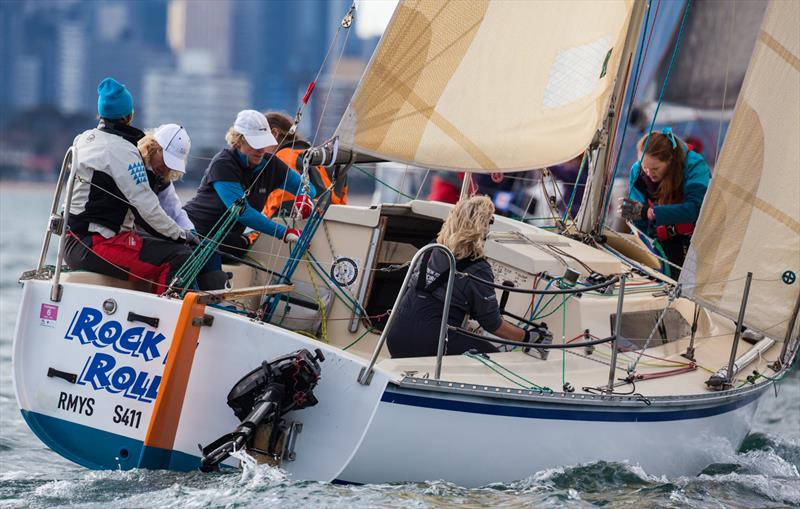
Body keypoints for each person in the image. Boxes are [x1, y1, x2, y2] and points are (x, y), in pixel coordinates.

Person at [64, 78, 198, 294]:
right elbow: (147, 210)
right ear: (130, 116)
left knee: (163, 248)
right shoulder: (125, 153)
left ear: (100, 114)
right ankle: (165, 320)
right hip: (95, 245)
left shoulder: (84, 139)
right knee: (180, 257)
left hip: (72, 242)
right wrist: (182, 236)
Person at [386, 196, 531, 358]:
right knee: (496, 359)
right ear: (481, 227)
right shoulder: (478, 267)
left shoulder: (430, 249)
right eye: (490, 222)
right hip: (431, 341)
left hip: (395, 336)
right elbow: (493, 324)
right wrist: (528, 337)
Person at [183, 110, 316, 257]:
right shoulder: (224, 164)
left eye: (264, 143)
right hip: (194, 232)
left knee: (240, 247)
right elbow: (242, 212)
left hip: (224, 240)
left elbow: (308, 188)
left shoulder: (271, 165)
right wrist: (284, 233)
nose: (260, 150)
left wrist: (304, 198)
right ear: (239, 140)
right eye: (255, 144)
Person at [137, 124, 228, 290]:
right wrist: (180, 235)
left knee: (209, 250)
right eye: (165, 160)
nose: (167, 167)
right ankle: (191, 297)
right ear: (154, 147)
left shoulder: (162, 179)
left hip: (156, 230)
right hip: (136, 232)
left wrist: (191, 232)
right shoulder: (135, 167)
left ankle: (214, 301)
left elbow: (176, 212)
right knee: (183, 255)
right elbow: (148, 213)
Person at [619, 128, 711, 278]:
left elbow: (696, 209)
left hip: (695, 241)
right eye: (645, 168)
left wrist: (651, 213)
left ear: (670, 160)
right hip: (660, 241)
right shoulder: (637, 172)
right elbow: (639, 218)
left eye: (655, 168)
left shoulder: (694, 165)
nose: (649, 173)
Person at [262, 112, 347, 218]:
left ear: (274, 133)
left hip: (298, 229)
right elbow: (343, 207)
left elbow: (283, 210)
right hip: (336, 226)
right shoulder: (328, 161)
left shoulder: (283, 158)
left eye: (259, 140)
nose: (258, 148)